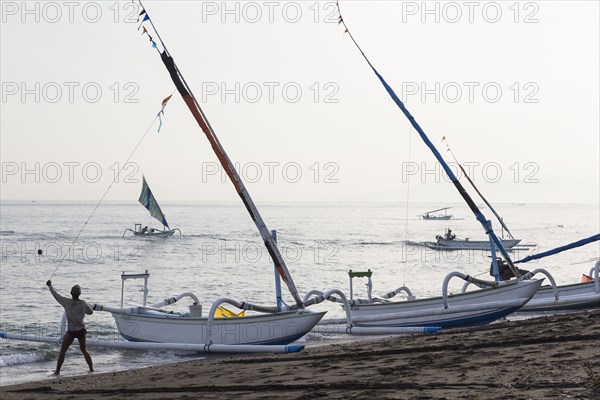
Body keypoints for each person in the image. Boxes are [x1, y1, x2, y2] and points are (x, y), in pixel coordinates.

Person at [46, 280, 94, 375]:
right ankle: (91, 369)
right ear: (79, 294)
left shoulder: (66, 302)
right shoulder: (83, 303)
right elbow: (90, 312)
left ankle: (57, 371)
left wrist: (50, 286)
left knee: (63, 351)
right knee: (84, 350)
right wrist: (86, 307)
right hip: (81, 330)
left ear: (71, 293)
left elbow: (56, 295)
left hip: (71, 331)